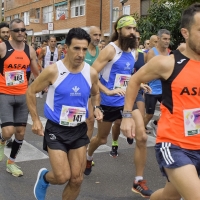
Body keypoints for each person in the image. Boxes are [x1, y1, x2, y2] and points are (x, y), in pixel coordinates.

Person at [121, 3, 200, 200]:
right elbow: (135, 81)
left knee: (170, 195)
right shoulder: (168, 63)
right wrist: (127, 115)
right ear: (186, 32)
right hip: (175, 144)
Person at [26, 27, 103, 200]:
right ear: (66, 48)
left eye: (84, 49)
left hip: (78, 130)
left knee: (76, 179)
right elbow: (31, 91)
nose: (81, 54)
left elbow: (96, 93)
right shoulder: (53, 70)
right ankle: (45, 177)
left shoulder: (90, 72)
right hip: (56, 130)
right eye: (76, 48)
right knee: (62, 177)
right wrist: (36, 120)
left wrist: (97, 107)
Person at [84, 15, 153, 198]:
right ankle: (88, 157)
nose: (132, 32)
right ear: (119, 30)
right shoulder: (110, 50)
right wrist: (106, 91)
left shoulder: (135, 52)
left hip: (126, 102)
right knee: (101, 139)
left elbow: (127, 76)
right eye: (128, 28)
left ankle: (138, 180)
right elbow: (91, 74)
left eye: (134, 28)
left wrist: (138, 84)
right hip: (108, 103)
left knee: (143, 137)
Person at [0, 18, 39, 177]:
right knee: (8, 132)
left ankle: (11, 163)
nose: (21, 33)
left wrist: (48, 83)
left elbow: (37, 72)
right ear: (10, 32)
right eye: (17, 30)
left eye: (24, 30)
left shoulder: (29, 50)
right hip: (5, 94)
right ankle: (2, 141)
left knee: (21, 132)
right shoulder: (2, 48)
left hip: (23, 94)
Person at [144, 29, 170, 136]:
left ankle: (155, 123)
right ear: (158, 39)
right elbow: (148, 71)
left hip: (164, 88)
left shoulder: (168, 52)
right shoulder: (152, 52)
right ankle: (139, 130)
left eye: (168, 39)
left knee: (168, 111)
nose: (167, 41)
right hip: (152, 89)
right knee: (149, 114)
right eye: (164, 39)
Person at [84, 26, 101, 141]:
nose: (98, 38)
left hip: (93, 90)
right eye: (95, 35)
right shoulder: (82, 49)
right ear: (88, 35)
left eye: (99, 35)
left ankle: (84, 150)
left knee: (90, 120)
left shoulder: (100, 52)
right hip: (80, 89)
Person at [0, 22, 14, 148]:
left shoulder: (14, 46)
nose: (5, 34)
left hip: (11, 88)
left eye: (7, 32)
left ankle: (5, 136)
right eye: (3, 32)